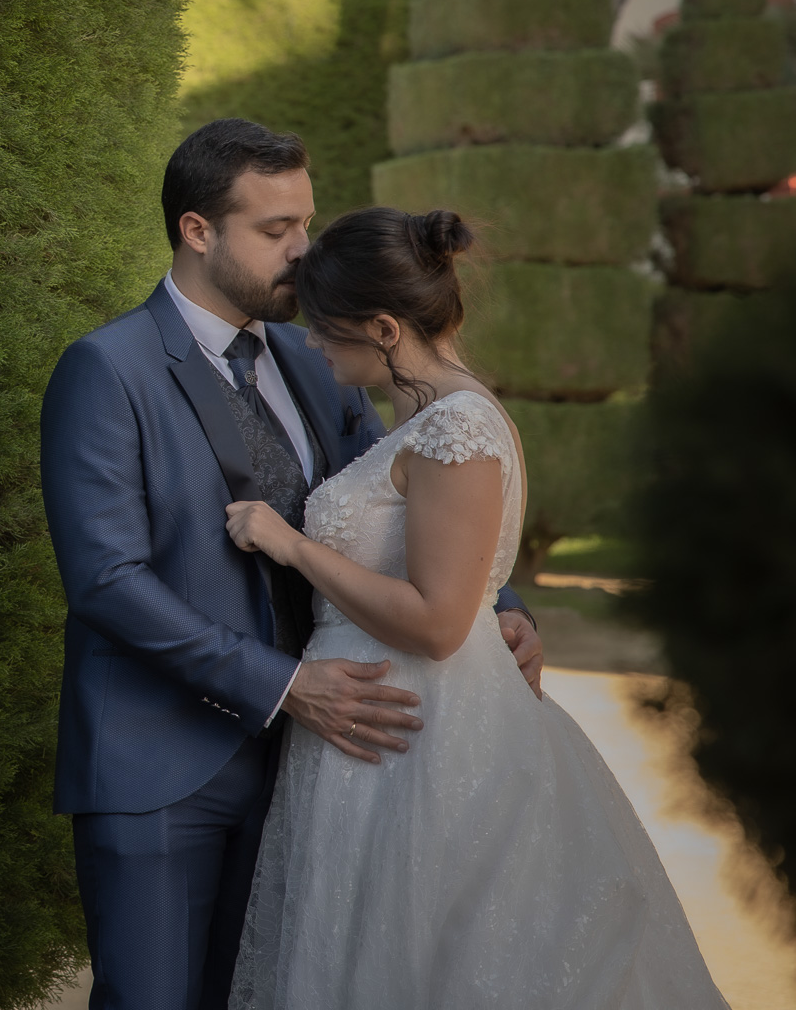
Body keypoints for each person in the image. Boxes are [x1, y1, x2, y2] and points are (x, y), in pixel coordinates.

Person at [39, 118, 543, 1010]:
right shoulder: (103, 369)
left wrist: (497, 600)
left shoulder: (318, 362)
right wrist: (283, 685)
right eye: (275, 232)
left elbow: (410, 495)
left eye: (304, 224)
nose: (302, 253)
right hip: (159, 766)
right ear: (197, 231)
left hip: (316, 769)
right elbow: (106, 581)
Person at [223, 206, 726, 1008]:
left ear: (384, 328)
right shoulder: (426, 415)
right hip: (384, 730)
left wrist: (292, 546)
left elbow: (437, 620)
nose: (310, 345)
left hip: (425, 740)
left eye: (324, 328)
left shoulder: (454, 424)